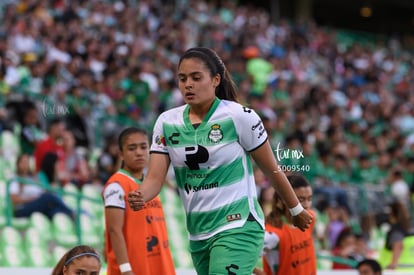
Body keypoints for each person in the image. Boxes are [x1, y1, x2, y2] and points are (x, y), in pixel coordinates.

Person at [127, 47, 312, 275]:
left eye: (196, 78)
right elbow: (155, 178)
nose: (188, 84)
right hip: (198, 233)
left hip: (239, 225)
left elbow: (271, 169)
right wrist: (140, 195)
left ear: (215, 80)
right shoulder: (166, 122)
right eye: (182, 79)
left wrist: (295, 208)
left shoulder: (240, 116)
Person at [102, 127, 175, 275]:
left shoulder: (151, 185)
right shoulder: (116, 185)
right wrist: (125, 269)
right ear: (121, 154)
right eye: (132, 148)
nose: (139, 152)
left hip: (159, 264)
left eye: (143, 147)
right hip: (134, 268)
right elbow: (114, 230)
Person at [253, 174, 316, 275]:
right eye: (301, 200)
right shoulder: (273, 234)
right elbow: (242, 257)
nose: (307, 205)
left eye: (309, 199)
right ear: (283, 199)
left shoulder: (310, 218)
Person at [10, 153, 74, 220]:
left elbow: (41, 192)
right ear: (18, 164)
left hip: (37, 204)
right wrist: (31, 199)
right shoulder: (14, 179)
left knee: (53, 212)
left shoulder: (32, 178)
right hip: (22, 208)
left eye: (27, 162)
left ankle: (75, 217)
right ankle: (71, 213)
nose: (25, 165)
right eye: (23, 162)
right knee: (49, 196)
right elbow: (13, 199)